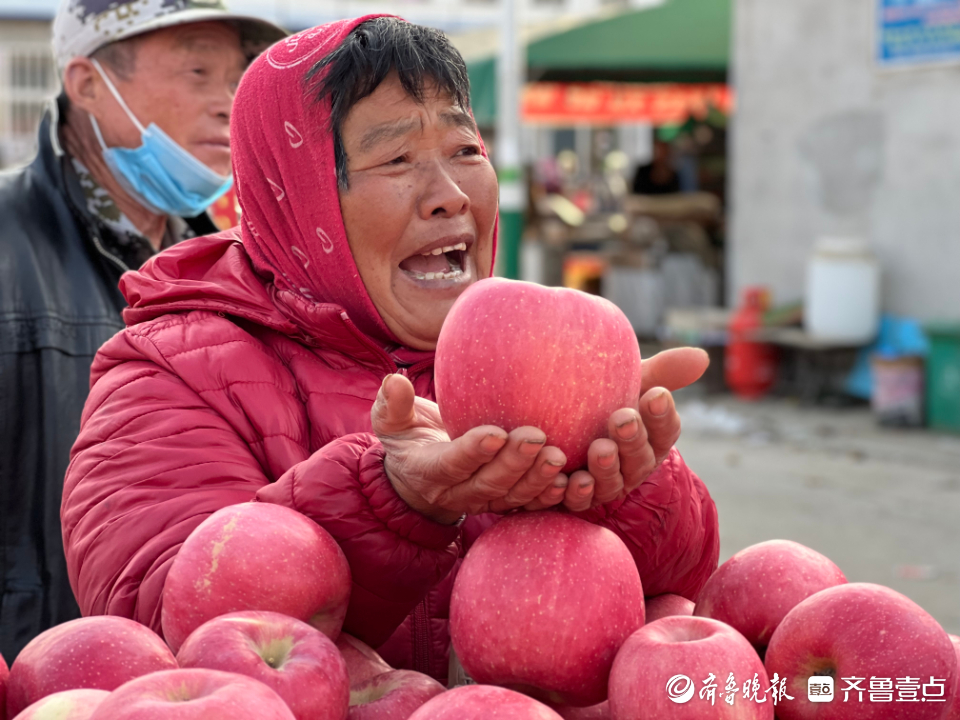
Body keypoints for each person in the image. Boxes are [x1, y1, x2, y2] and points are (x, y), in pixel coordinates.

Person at [62, 16, 719, 680]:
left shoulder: (539, 352)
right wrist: (390, 499)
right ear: (296, 195)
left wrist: (622, 484)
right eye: (398, 158)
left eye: (465, 150)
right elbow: (163, 628)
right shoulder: (166, 373)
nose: (451, 195)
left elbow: (684, 587)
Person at [0, 0, 285, 660]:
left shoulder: (233, 275)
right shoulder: (10, 251)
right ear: (88, 84)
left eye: (236, 77)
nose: (228, 103)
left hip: (187, 680)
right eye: (196, 71)